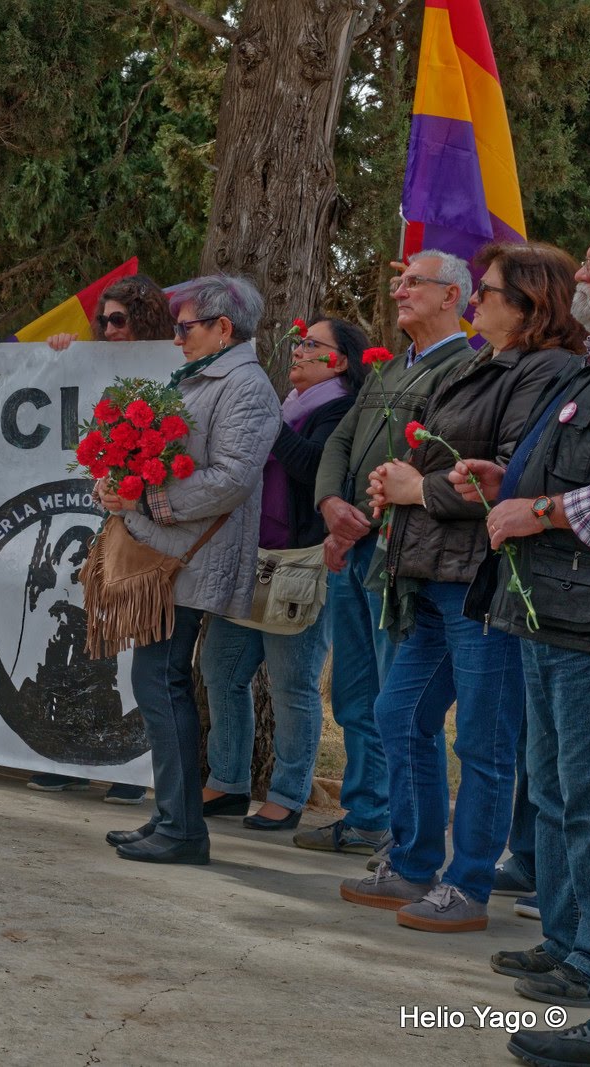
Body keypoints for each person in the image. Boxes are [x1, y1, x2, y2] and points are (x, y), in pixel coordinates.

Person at [337, 242, 580, 933]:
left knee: (484, 737)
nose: (475, 302)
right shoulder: (487, 362)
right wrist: (399, 480)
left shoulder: (549, 371)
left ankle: (468, 882)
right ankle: (414, 860)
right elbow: (439, 453)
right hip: (432, 572)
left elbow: (512, 471)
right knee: (398, 713)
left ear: (530, 303)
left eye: (489, 292)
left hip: (485, 580)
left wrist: (422, 488)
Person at [461, 234, 590, 1065]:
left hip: (585, 620)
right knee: (552, 793)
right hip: (550, 608)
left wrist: (540, 513)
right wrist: (503, 483)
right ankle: (571, 940)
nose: (583, 276)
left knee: (586, 801)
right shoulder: (588, 372)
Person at [304, 250, 479, 858]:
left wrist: (366, 519)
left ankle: (407, 836)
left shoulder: (465, 368)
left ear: (452, 295)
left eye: (413, 283)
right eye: (398, 282)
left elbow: (433, 467)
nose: (399, 291)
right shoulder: (388, 368)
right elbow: (342, 440)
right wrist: (330, 505)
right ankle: (367, 813)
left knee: (397, 701)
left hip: (397, 558)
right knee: (354, 695)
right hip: (354, 551)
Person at [100, 275, 280, 864]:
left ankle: (182, 830)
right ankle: (172, 817)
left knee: (163, 680)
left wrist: (148, 501)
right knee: (157, 681)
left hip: (192, 556)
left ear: (223, 328)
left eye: (185, 328)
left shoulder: (246, 387)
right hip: (173, 552)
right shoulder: (207, 378)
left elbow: (231, 477)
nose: (176, 339)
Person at [197, 317, 365, 830]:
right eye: (298, 342)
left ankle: (289, 794)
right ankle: (227, 783)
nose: (298, 351)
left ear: (337, 360)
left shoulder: (343, 409)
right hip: (252, 556)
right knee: (221, 671)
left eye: (311, 345)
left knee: (293, 684)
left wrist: (265, 418)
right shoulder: (290, 405)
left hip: (303, 561)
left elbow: (316, 468)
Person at [35, 272, 175, 803]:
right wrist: (63, 357)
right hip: (90, 513)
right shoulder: (91, 361)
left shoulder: (174, 366)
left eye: (120, 320)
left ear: (146, 321)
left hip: (146, 524)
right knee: (78, 646)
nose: (110, 329)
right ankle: (68, 755)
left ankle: (129, 768)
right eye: (104, 321)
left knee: (128, 646)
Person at [45, 273, 177, 349]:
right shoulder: (97, 369)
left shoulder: (180, 364)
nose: (108, 331)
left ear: (147, 320)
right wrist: (63, 354)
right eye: (103, 322)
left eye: (117, 319)